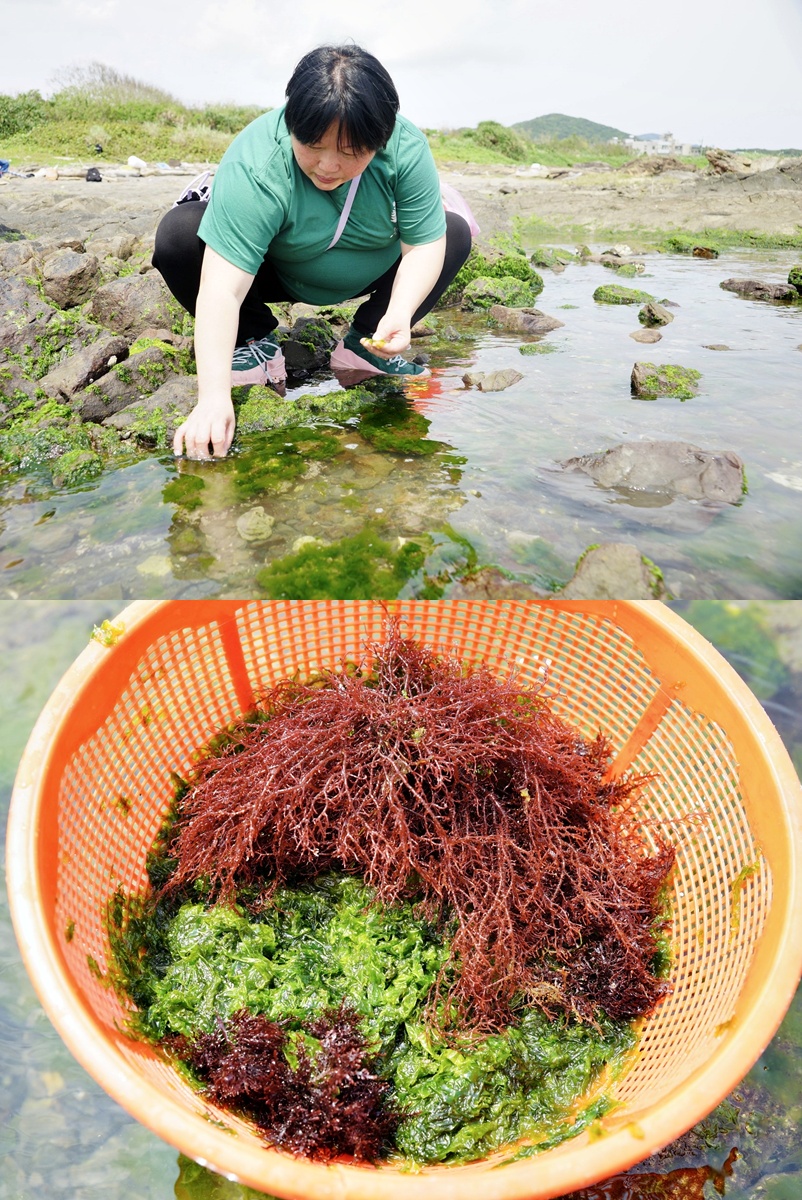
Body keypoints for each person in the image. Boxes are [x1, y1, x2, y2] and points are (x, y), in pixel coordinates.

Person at [153, 43, 473, 460]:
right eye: (312, 144)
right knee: (179, 233)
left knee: (452, 232)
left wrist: (400, 311)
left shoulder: (405, 149)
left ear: (381, 139)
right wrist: (213, 398)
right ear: (292, 122)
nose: (327, 165)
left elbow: (423, 245)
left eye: (350, 151)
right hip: (273, 271)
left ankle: (366, 345)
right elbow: (222, 289)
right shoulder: (258, 160)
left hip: (370, 268)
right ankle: (252, 341)